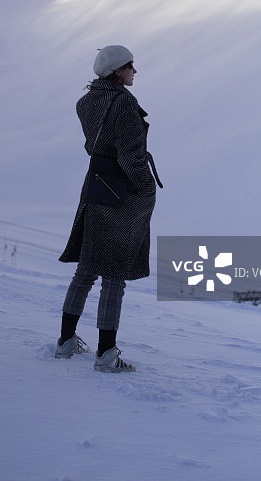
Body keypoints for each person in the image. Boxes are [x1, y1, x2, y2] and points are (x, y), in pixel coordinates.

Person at [56, 45, 162, 372]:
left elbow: (98, 145)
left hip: (95, 187)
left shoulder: (87, 101)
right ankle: (106, 354)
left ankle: (66, 342)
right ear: (117, 71)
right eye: (131, 66)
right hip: (121, 195)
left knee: (86, 270)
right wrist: (146, 189)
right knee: (114, 275)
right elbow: (130, 155)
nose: (135, 71)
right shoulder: (124, 103)